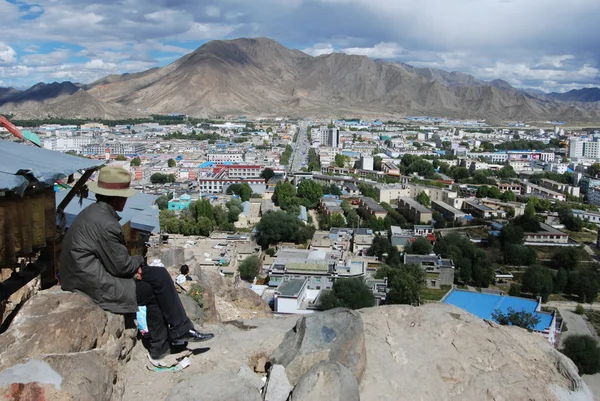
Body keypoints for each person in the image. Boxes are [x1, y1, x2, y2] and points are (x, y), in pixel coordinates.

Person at [60, 166, 213, 366]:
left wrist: (135, 266)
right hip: (91, 283)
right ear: (116, 197)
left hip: (87, 274)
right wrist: (139, 262)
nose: (126, 200)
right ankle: (170, 337)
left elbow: (116, 261)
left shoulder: (95, 213)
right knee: (154, 285)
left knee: (155, 279)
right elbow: (122, 267)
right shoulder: (106, 223)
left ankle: (169, 339)